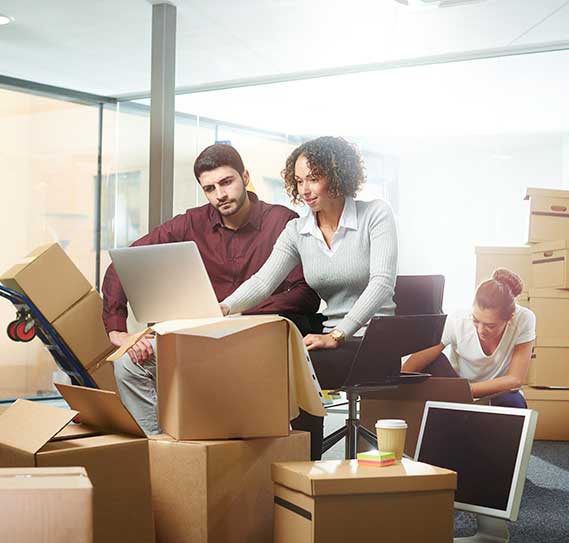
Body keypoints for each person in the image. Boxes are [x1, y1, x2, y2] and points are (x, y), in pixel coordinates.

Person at [102, 143, 321, 434]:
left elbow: (305, 292)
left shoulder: (281, 221)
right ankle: (160, 449)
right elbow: (121, 265)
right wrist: (117, 330)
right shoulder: (190, 223)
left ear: (244, 177)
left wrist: (239, 313)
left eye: (226, 182)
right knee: (128, 366)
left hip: (260, 336)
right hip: (201, 336)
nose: (220, 194)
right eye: (209, 188)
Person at [221, 136, 398, 459]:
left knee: (295, 367)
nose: (304, 189)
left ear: (338, 175)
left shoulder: (375, 214)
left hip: (375, 338)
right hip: (328, 339)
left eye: (313, 179)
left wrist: (338, 334)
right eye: (299, 181)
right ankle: (280, 465)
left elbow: (382, 284)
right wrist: (222, 308)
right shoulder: (298, 231)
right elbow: (262, 281)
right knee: (273, 359)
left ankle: (307, 465)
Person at [401, 268, 535, 408]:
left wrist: (463, 392)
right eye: (476, 320)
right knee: (433, 360)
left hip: (497, 392)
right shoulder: (458, 320)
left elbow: (515, 379)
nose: (481, 330)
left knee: (515, 402)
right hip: (458, 384)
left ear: (510, 317)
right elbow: (414, 363)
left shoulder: (524, 319)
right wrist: (396, 390)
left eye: (490, 326)